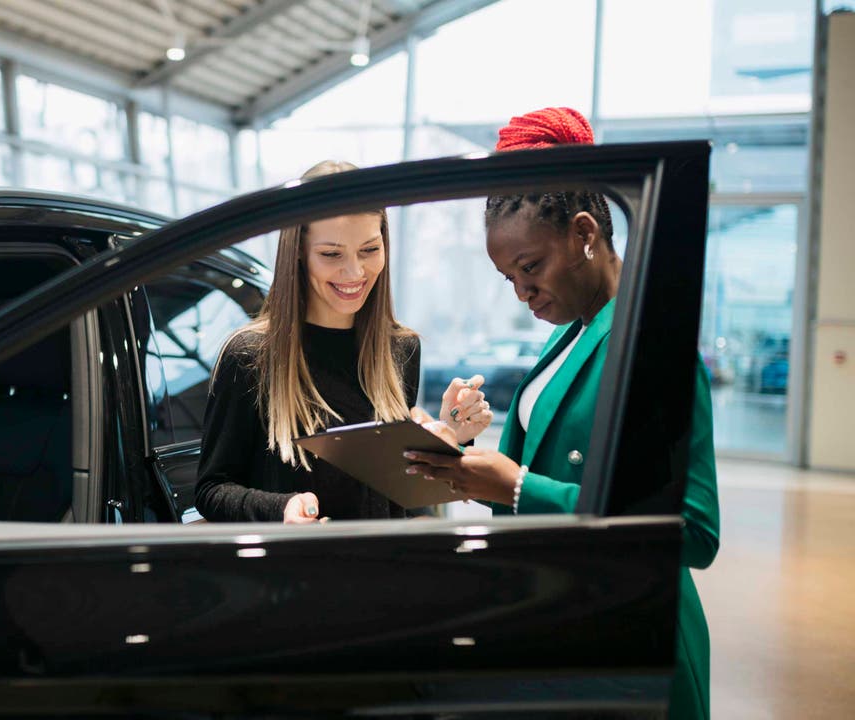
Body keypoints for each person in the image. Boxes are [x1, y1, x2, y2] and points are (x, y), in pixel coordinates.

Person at [403, 107, 720, 720]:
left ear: (584, 234)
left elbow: (696, 531)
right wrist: (461, 454)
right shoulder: (572, 332)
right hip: (569, 617)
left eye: (530, 268)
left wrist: (518, 487)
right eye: (507, 277)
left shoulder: (651, 337)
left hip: (634, 635)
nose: (521, 293)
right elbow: (541, 463)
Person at [196, 160, 493, 524]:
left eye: (370, 250)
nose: (354, 272)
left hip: (383, 570)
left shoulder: (401, 350)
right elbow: (212, 490)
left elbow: (395, 492)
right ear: (298, 254)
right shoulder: (249, 356)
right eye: (332, 254)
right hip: (293, 574)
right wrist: (281, 509)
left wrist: (450, 437)